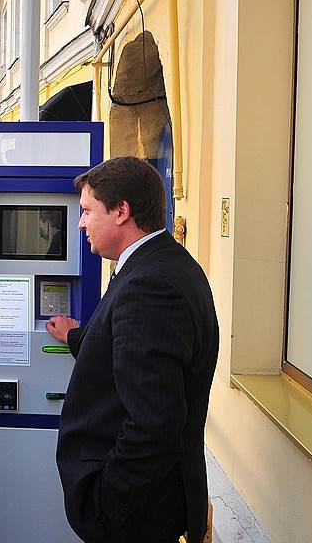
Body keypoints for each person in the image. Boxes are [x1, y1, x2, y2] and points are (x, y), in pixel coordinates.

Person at [46, 157, 218, 543]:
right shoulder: (164, 265)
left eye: (88, 211)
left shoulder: (148, 287)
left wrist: (108, 506)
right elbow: (129, 352)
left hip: (139, 519)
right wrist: (76, 337)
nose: (80, 223)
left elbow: (154, 424)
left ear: (121, 211)